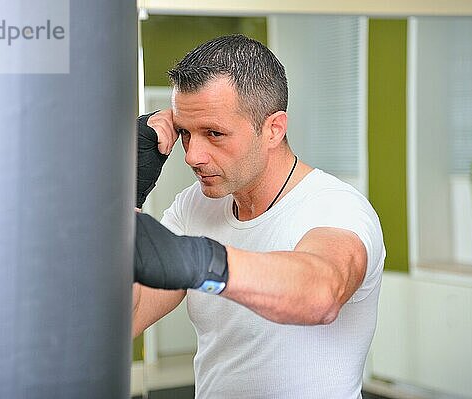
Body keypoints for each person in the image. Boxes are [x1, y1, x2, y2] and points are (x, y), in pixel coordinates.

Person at [133, 34, 385, 399]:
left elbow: (321, 293)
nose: (192, 156)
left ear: (273, 129)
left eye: (214, 133)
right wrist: (128, 195)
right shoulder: (194, 206)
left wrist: (205, 262)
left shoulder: (336, 207)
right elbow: (129, 316)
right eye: (185, 133)